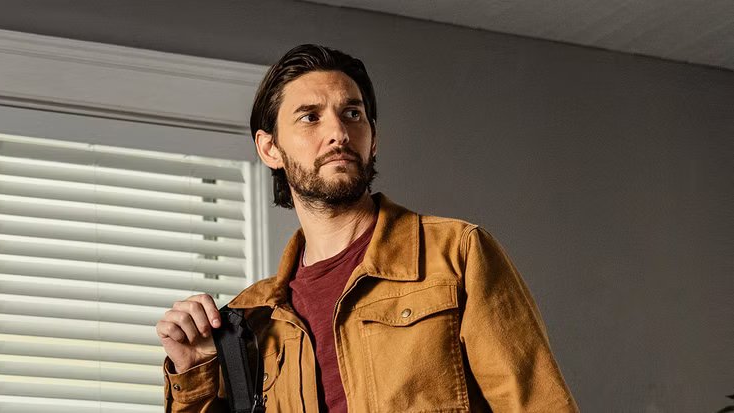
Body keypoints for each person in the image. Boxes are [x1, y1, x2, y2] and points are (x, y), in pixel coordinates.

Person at [156, 44, 579, 413]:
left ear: (373, 138)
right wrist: (195, 371)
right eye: (310, 117)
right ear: (270, 149)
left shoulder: (456, 254)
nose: (339, 132)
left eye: (352, 114)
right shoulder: (251, 318)